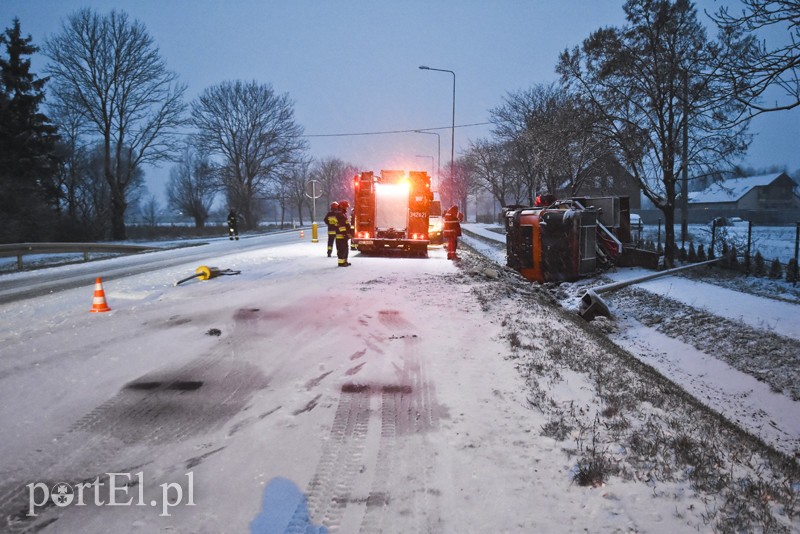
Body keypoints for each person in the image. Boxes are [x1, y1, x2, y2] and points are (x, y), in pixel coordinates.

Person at [335, 200, 353, 267]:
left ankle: (344, 261)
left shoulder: (342, 214)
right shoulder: (340, 215)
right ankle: (341, 263)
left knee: (345, 249)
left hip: (342, 235)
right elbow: (342, 226)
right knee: (342, 249)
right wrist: (345, 233)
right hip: (341, 236)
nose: (347, 208)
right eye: (346, 207)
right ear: (343, 207)